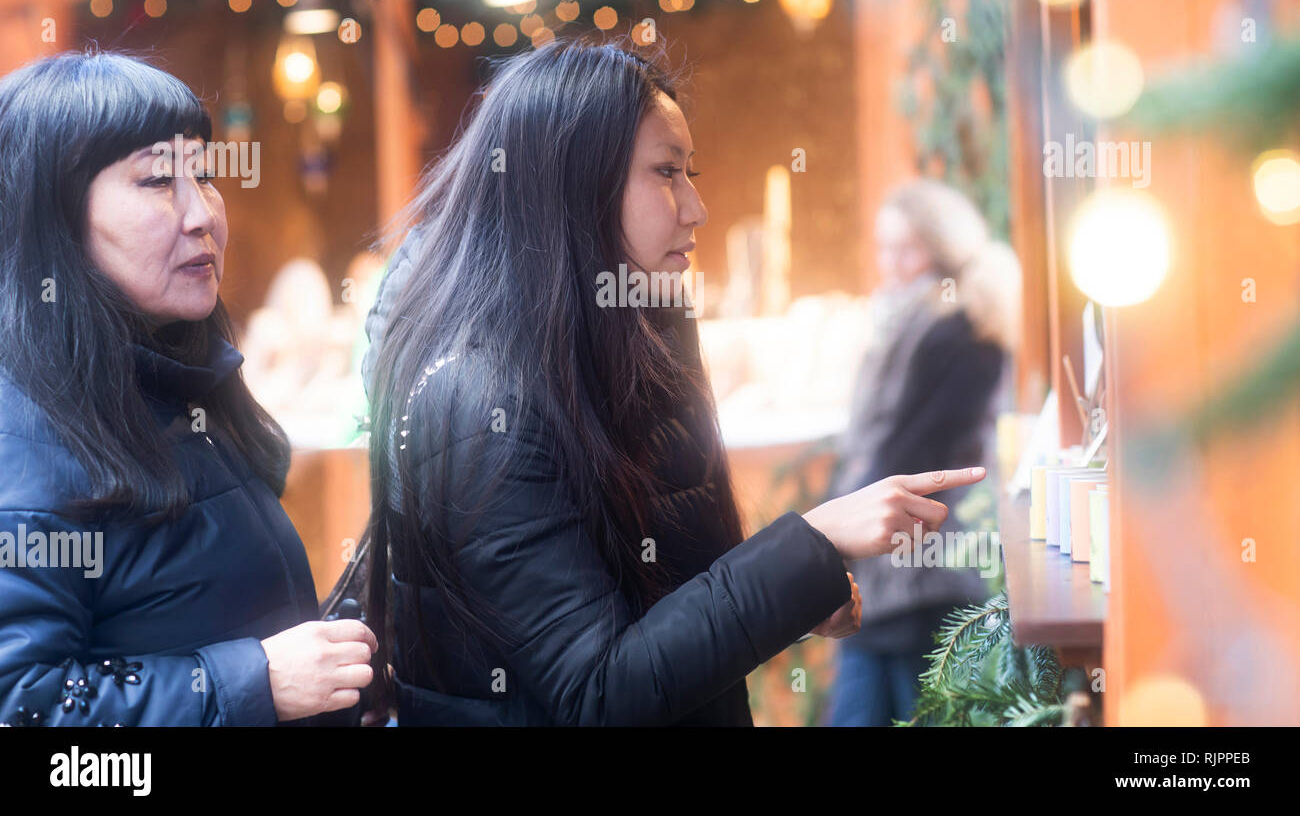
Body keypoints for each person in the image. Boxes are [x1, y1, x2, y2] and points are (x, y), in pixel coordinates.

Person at [361, 39, 985, 725]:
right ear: (573, 183)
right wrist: (812, 542)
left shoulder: (626, 336)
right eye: (666, 173)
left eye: (689, 172)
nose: (696, 207)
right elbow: (602, 689)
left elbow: (655, 589)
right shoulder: (481, 401)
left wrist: (796, 586)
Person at [0, 50, 376, 726]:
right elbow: (23, 708)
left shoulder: (179, 384)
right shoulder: (22, 436)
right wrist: (254, 683)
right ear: (52, 218)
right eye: (155, 181)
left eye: (202, 175)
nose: (202, 212)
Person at [825, 178, 1022, 727]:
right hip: (910, 560)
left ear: (942, 247)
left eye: (906, 247)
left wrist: (835, 538)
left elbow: (902, 452)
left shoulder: (952, 327)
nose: (891, 263)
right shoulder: (919, 321)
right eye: (883, 246)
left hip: (912, 563)